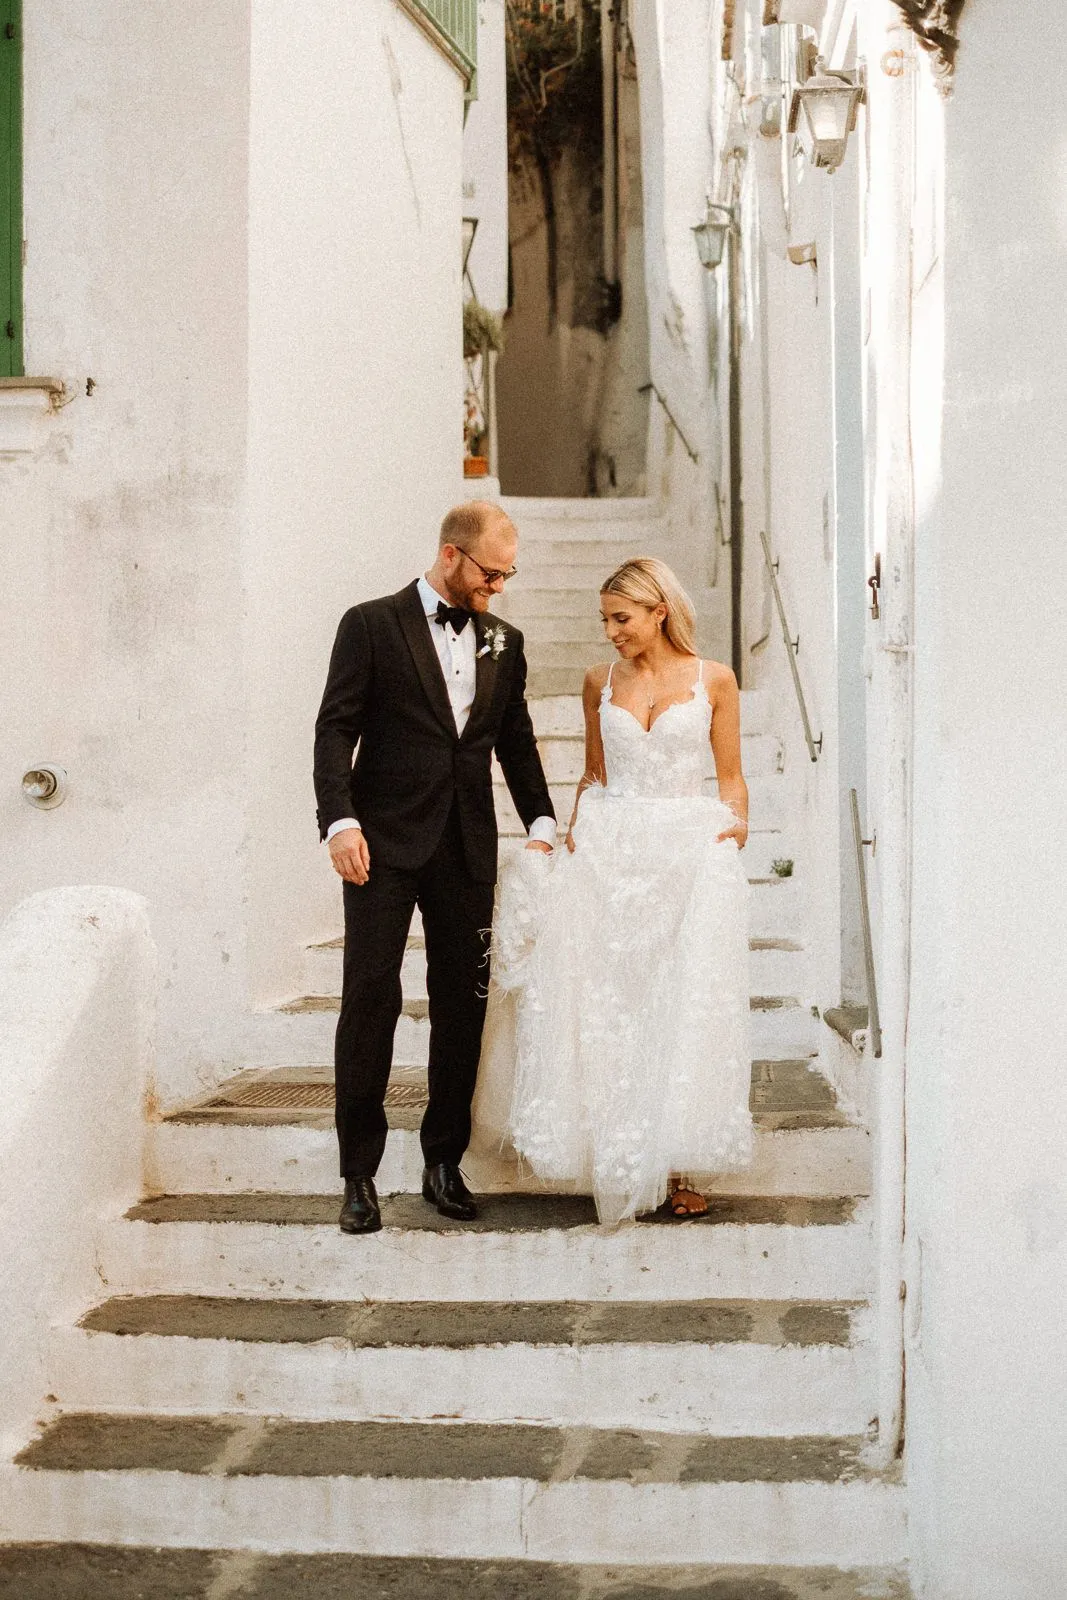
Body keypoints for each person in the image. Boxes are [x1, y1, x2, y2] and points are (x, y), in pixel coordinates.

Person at [474, 557, 754, 1227]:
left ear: (659, 611)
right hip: (612, 857)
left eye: (620, 618)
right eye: (603, 620)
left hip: (684, 856)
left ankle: (679, 1162)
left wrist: (732, 833)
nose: (609, 632)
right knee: (611, 1003)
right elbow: (593, 775)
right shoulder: (596, 682)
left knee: (678, 1000)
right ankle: (617, 1150)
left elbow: (731, 778)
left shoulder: (714, 680)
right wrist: (570, 838)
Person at [314, 502, 555, 1236]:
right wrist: (340, 820)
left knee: (462, 1006)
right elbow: (336, 726)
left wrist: (542, 822)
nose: (499, 587)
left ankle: (441, 1160)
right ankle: (358, 1173)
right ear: (452, 555)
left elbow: (514, 740)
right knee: (369, 1000)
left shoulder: (503, 643)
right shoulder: (370, 624)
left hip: (464, 848)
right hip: (380, 846)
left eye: (508, 574)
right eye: (490, 573)